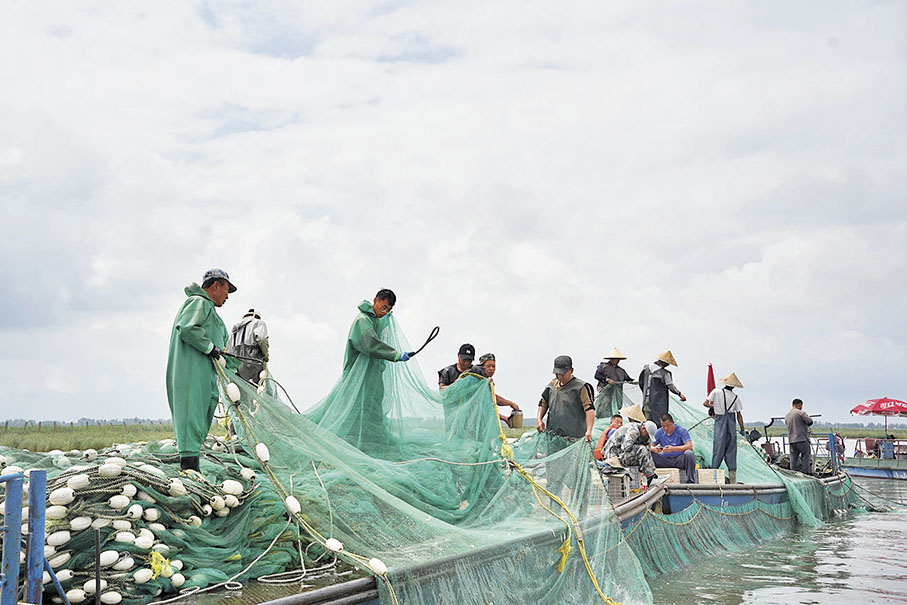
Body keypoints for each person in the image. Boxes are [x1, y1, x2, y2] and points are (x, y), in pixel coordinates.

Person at [166, 269, 238, 472]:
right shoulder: (199, 302)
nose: (227, 296)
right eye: (226, 290)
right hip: (191, 375)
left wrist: (231, 362)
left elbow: (218, 348)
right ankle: (189, 473)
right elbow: (188, 328)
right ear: (216, 285)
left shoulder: (210, 311)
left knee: (198, 421)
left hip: (203, 376)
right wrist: (211, 348)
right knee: (191, 419)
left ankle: (191, 471)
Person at [537, 356, 596, 505]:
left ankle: (580, 512)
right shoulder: (551, 386)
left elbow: (589, 410)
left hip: (573, 442)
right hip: (555, 441)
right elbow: (543, 403)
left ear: (571, 371)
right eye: (557, 373)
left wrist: (589, 430)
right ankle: (554, 512)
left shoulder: (580, 387)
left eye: (563, 373)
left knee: (578, 478)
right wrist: (539, 420)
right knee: (554, 478)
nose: (560, 376)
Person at [703, 372, 746, 483]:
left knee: (718, 449)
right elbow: (739, 416)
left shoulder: (716, 392)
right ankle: (733, 481)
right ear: (734, 386)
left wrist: (714, 407)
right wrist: (742, 429)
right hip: (731, 425)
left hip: (720, 422)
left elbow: (705, 403)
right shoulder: (736, 398)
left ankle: (713, 479)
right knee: (731, 450)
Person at [472, 353, 522, 426]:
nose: (491, 368)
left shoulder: (487, 381)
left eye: (493, 366)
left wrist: (504, 418)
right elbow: (492, 398)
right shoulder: (477, 381)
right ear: (482, 367)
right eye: (488, 366)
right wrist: (510, 403)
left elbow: (488, 406)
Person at [639, 350, 686, 423]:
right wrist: (680, 394)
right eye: (667, 364)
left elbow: (641, 382)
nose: (667, 365)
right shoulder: (665, 373)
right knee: (658, 421)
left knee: (647, 421)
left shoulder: (646, 369)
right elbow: (671, 386)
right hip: (658, 402)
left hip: (646, 399)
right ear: (663, 362)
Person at [650, 413, 697, 483]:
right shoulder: (659, 432)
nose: (666, 428)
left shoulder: (681, 431)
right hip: (665, 459)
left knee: (689, 454)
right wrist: (655, 449)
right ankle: (651, 479)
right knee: (649, 454)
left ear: (673, 423)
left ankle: (690, 481)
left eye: (668, 425)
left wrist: (673, 449)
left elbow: (689, 446)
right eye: (663, 426)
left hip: (679, 459)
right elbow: (650, 446)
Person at [227, 308, 269, 385]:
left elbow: (228, 351)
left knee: (240, 393)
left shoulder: (234, 330)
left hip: (237, 368)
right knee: (254, 391)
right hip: (253, 364)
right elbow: (262, 338)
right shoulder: (259, 323)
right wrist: (266, 355)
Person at [594, 348, 633, 419]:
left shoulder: (621, 370)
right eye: (615, 359)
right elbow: (597, 376)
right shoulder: (603, 366)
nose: (617, 361)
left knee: (617, 407)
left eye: (618, 359)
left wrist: (635, 381)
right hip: (605, 392)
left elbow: (628, 379)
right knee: (605, 405)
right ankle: (602, 419)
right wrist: (607, 380)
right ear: (611, 359)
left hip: (617, 394)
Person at [785, 398, 814, 475]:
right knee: (805, 457)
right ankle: (805, 474)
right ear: (799, 404)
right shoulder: (801, 413)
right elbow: (810, 421)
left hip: (791, 440)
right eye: (801, 406)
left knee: (793, 459)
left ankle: (793, 474)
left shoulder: (787, 415)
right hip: (802, 439)